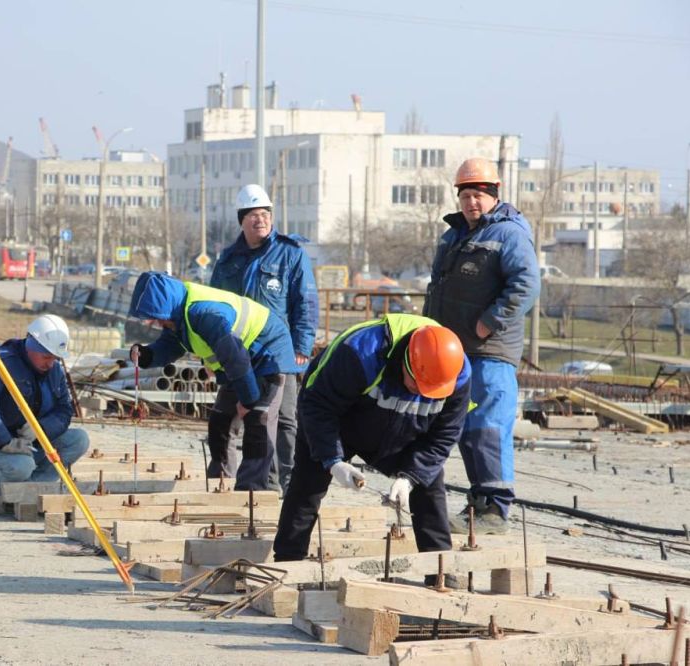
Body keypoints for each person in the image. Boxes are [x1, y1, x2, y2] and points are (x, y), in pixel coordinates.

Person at [273, 315, 471, 566]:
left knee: (429, 484)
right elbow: (316, 406)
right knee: (308, 482)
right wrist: (333, 460)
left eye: (430, 390)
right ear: (407, 362)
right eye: (418, 385)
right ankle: (288, 560)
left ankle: (439, 569)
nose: (423, 393)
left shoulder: (457, 374)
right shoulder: (360, 353)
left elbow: (444, 435)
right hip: (342, 422)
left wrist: (410, 478)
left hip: (402, 431)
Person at [423, 157, 540, 535]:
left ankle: (495, 508)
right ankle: (479, 502)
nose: (472, 202)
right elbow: (437, 290)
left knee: (488, 425)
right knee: (467, 426)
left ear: (494, 195)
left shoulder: (509, 234)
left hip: (490, 351)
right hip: (455, 350)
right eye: (466, 195)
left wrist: (489, 321)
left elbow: (526, 285)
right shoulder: (454, 236)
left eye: (479, 195)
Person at [128, 271, 297, 490]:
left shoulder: (204, 314)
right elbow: (171, 345)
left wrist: (248, 401)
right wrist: (147, 355)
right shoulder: (177, 315)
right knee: (220, 423)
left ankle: (253, 492)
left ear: (166, 307)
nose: (156, 323)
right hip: (240, 362)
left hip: (268, 354)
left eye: (156, 317)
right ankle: (221, 482)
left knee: (257, 422)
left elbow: (235, 356)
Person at [210, 184, 317, 493]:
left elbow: (306, 302)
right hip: (240, 352)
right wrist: (214, 357)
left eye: (265, 214)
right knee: (237, 417)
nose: (261, 220)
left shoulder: (290, 253)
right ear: (242, 220)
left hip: (279, 351)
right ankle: (235, 482)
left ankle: (288, 483)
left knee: (284, 420)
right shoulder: (228, 259)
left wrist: (302, 346)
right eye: (254, 215)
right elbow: (214, 305)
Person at [0, 314, 89, 515]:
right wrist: (4, 441)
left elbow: (64, 409)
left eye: (54, 358)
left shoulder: (54, 370)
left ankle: (27, 493)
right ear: (31, 346)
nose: (50, 363)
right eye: (46, 357)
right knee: (22, 465)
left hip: (25, 442)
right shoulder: (1, 363)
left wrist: (41, 429)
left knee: (78, 440)